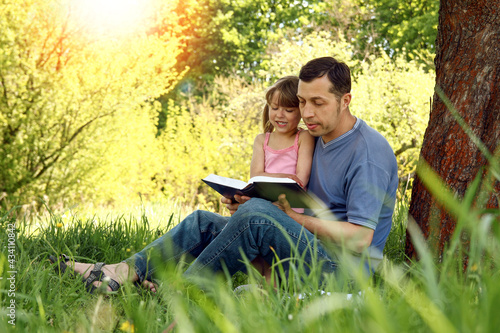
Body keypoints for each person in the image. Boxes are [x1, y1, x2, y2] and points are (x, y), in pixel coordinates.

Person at [50, 57, 398, 293]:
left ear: (346, 100)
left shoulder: (367, 154)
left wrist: (285, 217)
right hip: (301, 245)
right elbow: (293, 194)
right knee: (204, 220)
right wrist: (252, 198)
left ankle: (178, 293)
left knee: (258, 218)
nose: (306, 112)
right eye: (303, 102)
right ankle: (120, 272)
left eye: (317, 103)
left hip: (340, 274)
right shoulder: (316, 136)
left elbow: (360, 239)